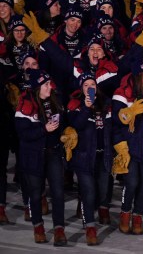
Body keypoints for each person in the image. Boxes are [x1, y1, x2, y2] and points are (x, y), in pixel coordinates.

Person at [15, 69, 67, 245]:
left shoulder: (55, 100)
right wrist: (44, 129)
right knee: (36, 194)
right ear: (38, 87)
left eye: (49, 83)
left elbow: (62, 122)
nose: (49, 87)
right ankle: (38, 227)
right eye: (46, 84)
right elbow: (22, 133)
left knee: (58, 192)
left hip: (53, 152)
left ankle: (59, 229)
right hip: (33, 155)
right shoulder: (25, 103)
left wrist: (65, 133)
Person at [112, 57, 143, 235]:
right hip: (130, 146)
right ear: (139, 74)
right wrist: (128, 113)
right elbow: (116, 121)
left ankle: (138, 216)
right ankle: (125, 213)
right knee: (131, 183)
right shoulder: (122, 93)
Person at [66, 73, 114, 245]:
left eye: (92, 84)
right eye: (86, 85)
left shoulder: (106, 103)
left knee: (102, 190)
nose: (90, 87)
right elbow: (76, 125)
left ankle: (101, 211)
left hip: (103, 155)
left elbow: (111, 129)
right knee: (88, 192)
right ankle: (90, 228)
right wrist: (86, 107)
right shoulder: (75, 104)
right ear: (81, 88)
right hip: (84, 156)